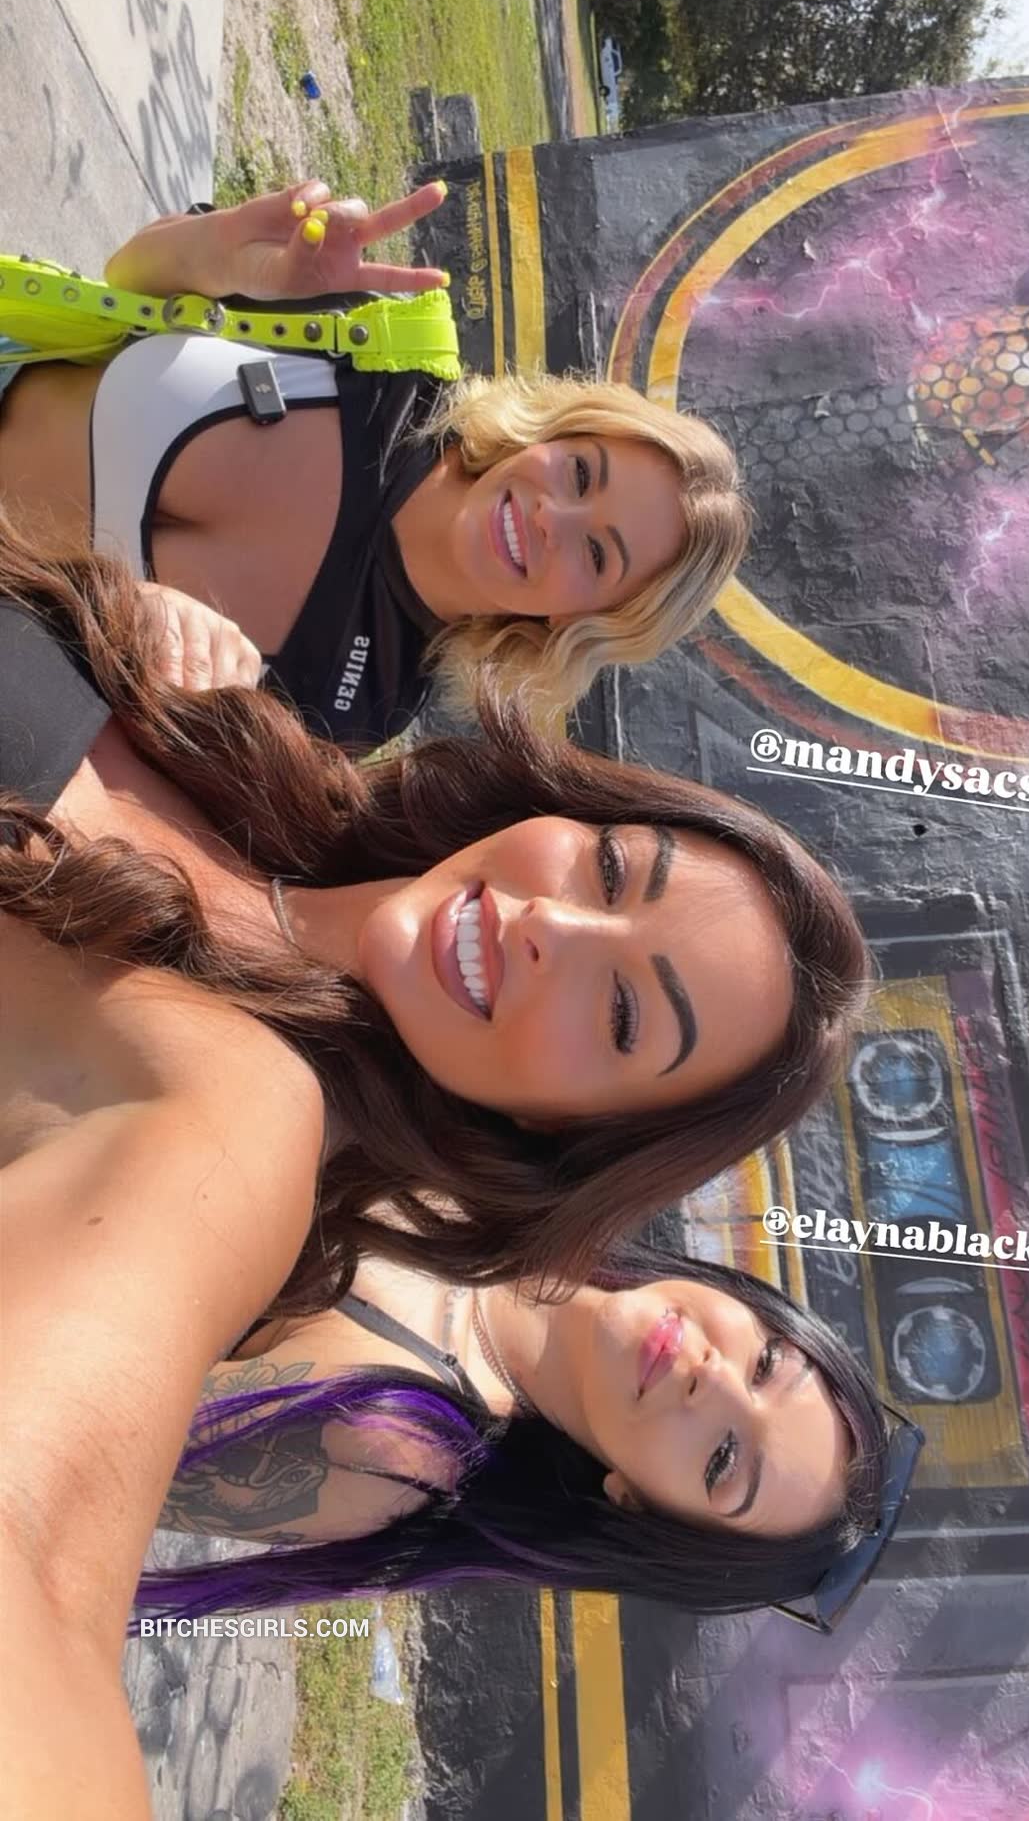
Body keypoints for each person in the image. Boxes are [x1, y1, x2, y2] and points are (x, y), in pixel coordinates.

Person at [0, 509, 869, 1304]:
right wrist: (110, 619)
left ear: (562, 1130)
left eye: (620, 1012)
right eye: (610, 872)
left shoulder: (236, 1141)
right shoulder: (232, 733)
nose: (552, 927)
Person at [0, 181, 751, 748]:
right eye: (581, 473)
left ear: (578, 624)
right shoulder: (385, 351)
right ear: (555, 434)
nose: (553, 516)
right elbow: (128, 281)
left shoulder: (353, 710)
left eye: (596, 554)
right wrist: (217, 248)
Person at [141, 1240, 908, 1623]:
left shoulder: (389, 1444)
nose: (714, 1381)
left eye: (722, 1460)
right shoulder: (520, 1164)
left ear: (633, 1505)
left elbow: (84, 1442)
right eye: (767, 1362)